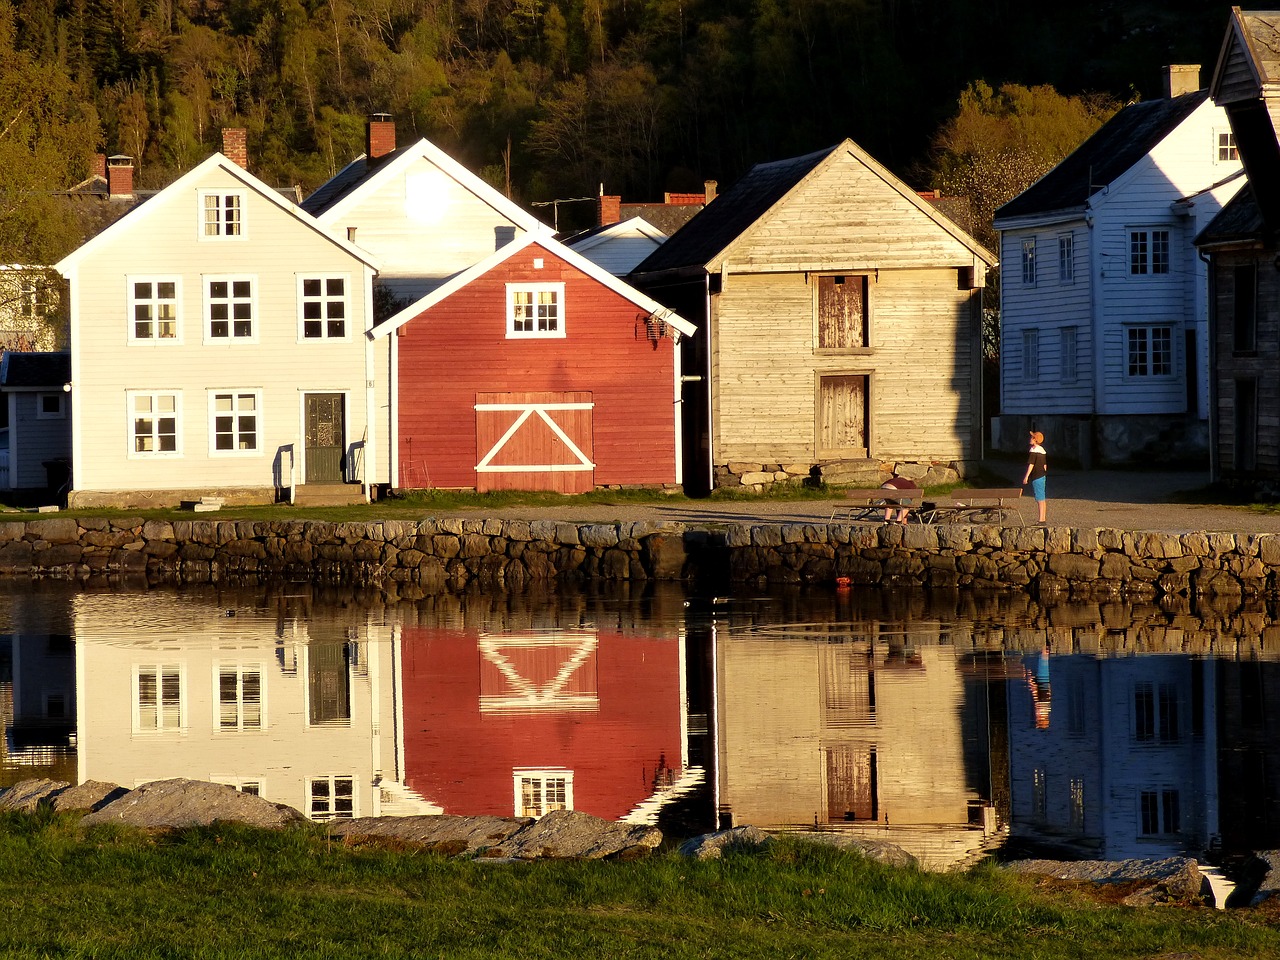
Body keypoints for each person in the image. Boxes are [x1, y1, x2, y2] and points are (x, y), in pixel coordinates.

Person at [1022, 430, 1048, 523]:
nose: (1030, 439)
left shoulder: (1034, 450)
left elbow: (1031, 464)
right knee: (1042, 497)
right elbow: (1045, 465)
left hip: (1036, 476)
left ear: (1035, 440)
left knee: (1039, 498)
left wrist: (1026, 476)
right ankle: (1043, 518)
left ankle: (1041, 520)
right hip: (1042, 475)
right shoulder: (1042, 451)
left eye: (1032, 437)